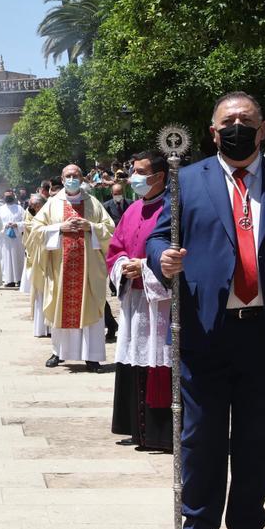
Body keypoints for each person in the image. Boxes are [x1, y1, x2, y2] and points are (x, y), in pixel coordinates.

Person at [147, 92, 265, 529]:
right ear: (213, 132)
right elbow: (155, 238)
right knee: (200, 437)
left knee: (259, 438)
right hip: (206, 333)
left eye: (246, 120)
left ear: (263, 127)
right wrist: (161, 258)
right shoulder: (186, 182)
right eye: (228, 121)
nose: (237, 127)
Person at [107, 151, 172, 452]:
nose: (134, 177)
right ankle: (137, 430)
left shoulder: (173, 210)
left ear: (159, 176)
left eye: (140, 172)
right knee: (136, 355)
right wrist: (123, 266)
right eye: (133, 171)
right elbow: (116, 248)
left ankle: (160, 434)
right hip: (135, 299)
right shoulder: (132, 209)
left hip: (160, 302)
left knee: (159, 357)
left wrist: (145, 267)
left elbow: (177, 252)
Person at [29, 164, 115, 371]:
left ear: (83, 178)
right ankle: (59, 352)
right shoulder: (52, 204)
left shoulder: (93, 204)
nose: (72, 178)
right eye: (68, 176)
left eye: (76, 175)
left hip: (88, 270)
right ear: (62, 177)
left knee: (90, 308)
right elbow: (36, 230)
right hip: (61, 269)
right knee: (61, 307)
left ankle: (92, 356)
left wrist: (91, 227)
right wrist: (59, 228)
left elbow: (110, 230)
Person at [20, 194, 49, 338]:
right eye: (32, 206)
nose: (34, 208)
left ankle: (51, 327)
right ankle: (42, 328)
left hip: (50, 258)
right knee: (40, 293)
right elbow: (31, 230)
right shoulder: (32, 215)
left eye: (36, 206)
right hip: (37, 258)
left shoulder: (49, 213)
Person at [0, 190, 27, 287]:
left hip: (17, 239)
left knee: (18, 258)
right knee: (5, 259)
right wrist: (5, 225)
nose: (8, 197)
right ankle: (8, 280)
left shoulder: (20, 209)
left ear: (13, 196)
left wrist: (16, 224)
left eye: (10, 196)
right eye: (6, 196)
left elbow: (25, 222)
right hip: (4, 239)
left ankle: (19, 279)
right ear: (3, 197)